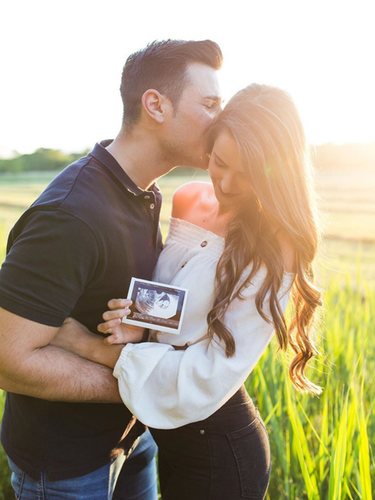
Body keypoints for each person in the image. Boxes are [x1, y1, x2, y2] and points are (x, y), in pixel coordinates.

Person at [51, 84, 322, 499]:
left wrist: (92, 348)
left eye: (247, 174)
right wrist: (137, 323)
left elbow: (210, 371)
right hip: (168, 438)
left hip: (220, 450)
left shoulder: (276, 246)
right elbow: (180, 297)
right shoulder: (188, 199)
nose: (227, 183)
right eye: (220, 161)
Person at [0, 39, 223, 499]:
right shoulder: (71, 215)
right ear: (155, 105)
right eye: (209, 104)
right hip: (65, 469)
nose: (221, 120)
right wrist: (141, 387)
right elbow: (7, 361)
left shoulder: (142, 191)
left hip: (131, 443)